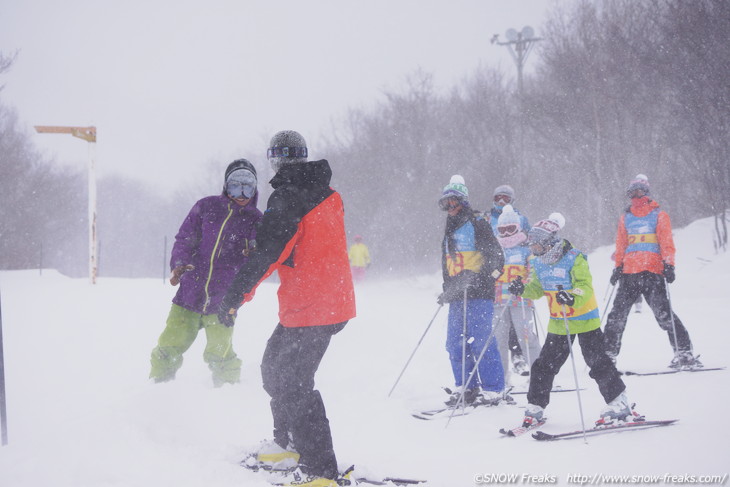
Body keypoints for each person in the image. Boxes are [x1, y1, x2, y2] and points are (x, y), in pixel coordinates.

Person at [219, 130, 355, 487]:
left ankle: (321, 471)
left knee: (294, 384)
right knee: (274, 370)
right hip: (316, 305)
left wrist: (235, 297)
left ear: (275, 159)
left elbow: (270, 252)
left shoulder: (288, 197)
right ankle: (289, 446)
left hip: (315, 309)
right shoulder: (325, 192)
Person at [508, 212, 636, 428]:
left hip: (585, 319)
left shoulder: (574, 257)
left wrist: (571, 295)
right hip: (559, 322)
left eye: (537, 245)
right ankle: (535, 407)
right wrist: (523, 290)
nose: (533, 249)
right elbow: (537, 290)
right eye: (532, 245)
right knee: (544, 365)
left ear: (549, 243)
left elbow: (584, 286)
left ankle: (619, 404)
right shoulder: (537, 262)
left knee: (598, 363)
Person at [149, 159, 262, 386]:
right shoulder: (206, 207)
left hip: (223, 299)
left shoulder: (256, 220)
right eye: (235, 186)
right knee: (169, 345)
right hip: (189, 294)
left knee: (221, 353)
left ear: (255, 188)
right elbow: (185, 239)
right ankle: (158, 387)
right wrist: (179, 264)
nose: (241, 193)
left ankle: (227, 392)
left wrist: (252, 257)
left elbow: (257, 260)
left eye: (247, 186)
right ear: (225, 186)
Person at [603, 174, 701, 369]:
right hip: (629, 272)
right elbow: (621, 243)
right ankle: (608, 355)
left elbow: (666, 242)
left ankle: (684, 352)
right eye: (632, 193)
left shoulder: (658, 215)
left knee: (663, 314)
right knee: (617, 316)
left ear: (646, 193)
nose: (635, 196)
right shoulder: (626, 217)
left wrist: (669, 264)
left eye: (639, 192)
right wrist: (617, 267)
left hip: (652, 271)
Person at [437, 175, 505, 406]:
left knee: (480, 341)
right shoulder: (448, 229)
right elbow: (447, 265)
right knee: (454, 343)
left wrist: (477, 278)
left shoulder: (477, 224)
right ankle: (466, 386)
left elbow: (497, 259)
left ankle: (494, 389)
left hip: (479, 294)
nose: (450, 208)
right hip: (457, 295)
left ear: (463, 202)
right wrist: (447, 290)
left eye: (453, 203)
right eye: (446, 204)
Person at [492, 205, 541, 386]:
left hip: (520, 300)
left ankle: (539, 376)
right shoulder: (496, 250)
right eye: (502, 230)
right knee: (498, 341)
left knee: (526, 337)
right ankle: (502, 380)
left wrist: (524, 284)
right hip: (498, 301)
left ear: (518, 228)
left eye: (511, 229)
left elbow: (533, 272)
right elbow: (490, 274)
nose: (507, 234)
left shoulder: (526, 250)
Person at [488, 184, 532, 375]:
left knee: (522, 330)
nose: (501, 202)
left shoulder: (520, 218)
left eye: (505, 198)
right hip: (500, 290)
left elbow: (529, 239)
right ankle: (503, 378)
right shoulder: (489, 218)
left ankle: (521, 357)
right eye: (498, 198)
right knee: (499, 333)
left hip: (518, 290)